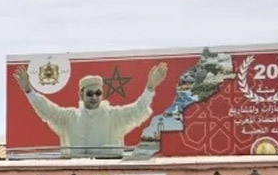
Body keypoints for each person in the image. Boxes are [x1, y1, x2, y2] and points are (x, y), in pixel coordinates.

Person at [13, 63, 168, 158]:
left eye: (98, 93)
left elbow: (138, 110)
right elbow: (46, 109)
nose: (94, 97)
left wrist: (150, 87)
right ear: (81, 94)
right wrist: (28, 90)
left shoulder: (113, 116)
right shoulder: (69, 117)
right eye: (90, 93)